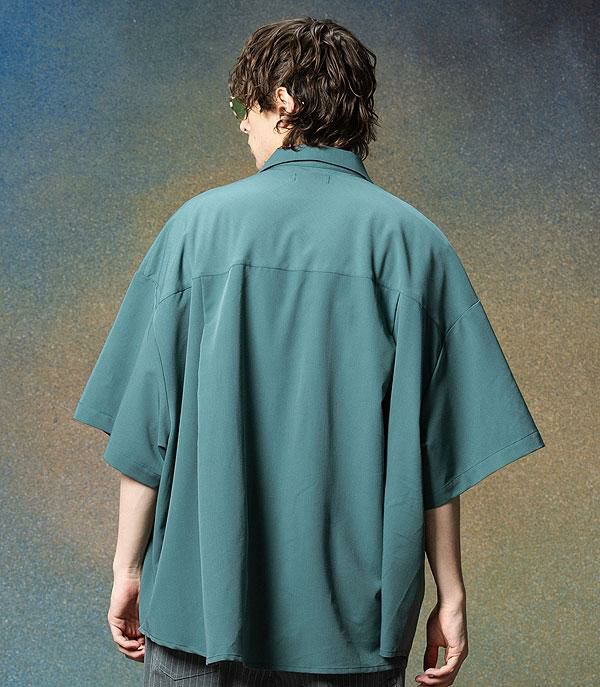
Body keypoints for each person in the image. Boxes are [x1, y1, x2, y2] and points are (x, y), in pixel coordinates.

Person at [72, 16, 545, 687]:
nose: (243, 124)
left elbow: (147, 433)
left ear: (284, 99)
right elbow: (438, 454)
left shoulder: (195, 231)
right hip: (351, 627)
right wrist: (452, 593)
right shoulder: (415, 246)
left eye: (245, 106)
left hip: (199, 608)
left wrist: (126, 568)